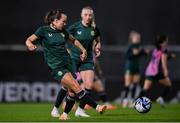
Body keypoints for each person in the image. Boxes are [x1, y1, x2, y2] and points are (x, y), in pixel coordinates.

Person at [25, 10, 106, 120]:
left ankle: (64, 114)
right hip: (56, 66)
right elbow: (29, 39)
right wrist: (30, 44)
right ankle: (97, 107)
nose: (65, 24)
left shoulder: (63, 31)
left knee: (72, 92)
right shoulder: (43, 30)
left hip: (67, 63)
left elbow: (74, 41)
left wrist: (83, 50)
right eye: (63, 21)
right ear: (55, 21)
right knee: (76, 86)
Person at [51, 6, 102, 117]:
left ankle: (80, 110)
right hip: (73, 59)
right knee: (68, 87)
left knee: (88, 85)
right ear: (81, 15)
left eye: (90, 15)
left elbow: (98, 41)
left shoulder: (94, 29)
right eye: (85, 14)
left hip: (87, 59)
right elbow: (62, 38)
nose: (88, 17)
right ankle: (55, 108)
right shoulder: (74, 27)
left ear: (92, 16)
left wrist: (97, 48)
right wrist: (67, 51)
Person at [138, 35, 174, 107]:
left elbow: (159, 59)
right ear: (164, 41)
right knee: (168, 85)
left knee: (145, 88)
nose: (167, 41)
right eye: (166, 40)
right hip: (157, 72)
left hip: (150, 71)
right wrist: (166, 70)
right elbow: (163, 61)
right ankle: (161, 98)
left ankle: (135, 102)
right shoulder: (164, 50)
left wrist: (169, 57)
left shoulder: (156, 49)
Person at [122, 31, 148, 108]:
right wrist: (139, 52)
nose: (138, 39)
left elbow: (144, 53)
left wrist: (145, 52)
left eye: (139, 38)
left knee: (135, 84)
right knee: (127, 84)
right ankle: (125, 100)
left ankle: (132, 101)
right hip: (129, 67)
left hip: (136, 67)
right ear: (132, 39)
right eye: (136, 38)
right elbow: (130, 54)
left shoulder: (139, 46)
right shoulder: (130, 46)